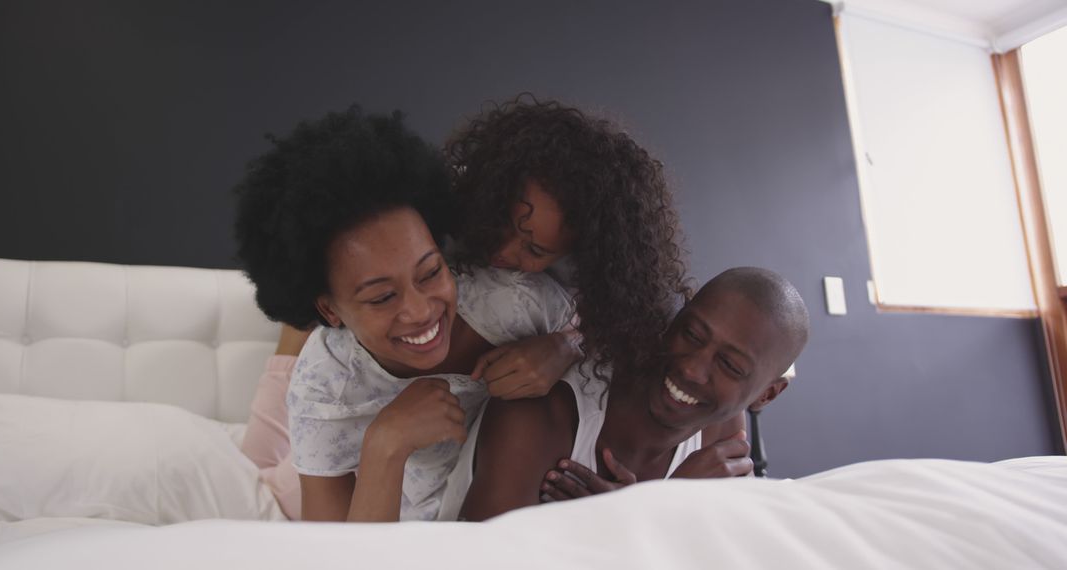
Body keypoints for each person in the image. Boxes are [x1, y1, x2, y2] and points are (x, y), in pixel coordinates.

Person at [233, 108, 574, 522]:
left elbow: (624, 331)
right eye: (382, 297)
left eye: (431, 272)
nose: (420, 311)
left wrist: (565, 346)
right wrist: (385, 446)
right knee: (261, 474)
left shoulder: (509, 302)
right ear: (329, 307)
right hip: (353, 488)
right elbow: (336, 555)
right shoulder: (322, 387)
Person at [440, 267, 810, 521]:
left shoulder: (722, 435)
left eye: (730, 366)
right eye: (692, 335)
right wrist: (655, 516)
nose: (692, 369)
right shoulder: (543, 410)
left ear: (766, 394)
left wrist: (634, 515)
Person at [445, 95, 691, 396]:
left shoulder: (568, 296)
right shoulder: (434, 204)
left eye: (535, 250)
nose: (503, 251)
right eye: (502, 222)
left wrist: (566, 345)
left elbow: (630, 332)